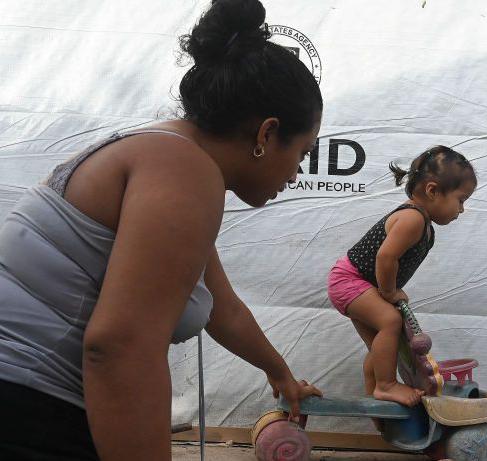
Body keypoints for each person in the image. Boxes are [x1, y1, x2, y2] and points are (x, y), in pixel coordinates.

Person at [0, 0, 322, 459]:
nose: (295, 175)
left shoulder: (171, 157)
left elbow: (223, 309)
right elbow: (118, 349)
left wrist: (280, 376)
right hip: (23, 411)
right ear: (267, 134)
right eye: (302, 152)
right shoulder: (185, 170)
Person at [327, 146, 477, 407]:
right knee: (391, 322)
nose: (461, 210)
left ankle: (375, 399)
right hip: (349, 280)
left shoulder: (423, 223)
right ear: (432, 191)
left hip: (359, 283)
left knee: (382, 345)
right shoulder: (412, 219)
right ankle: (385, 386)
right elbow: (385, 257)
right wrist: (388, 292)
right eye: (461, 200)